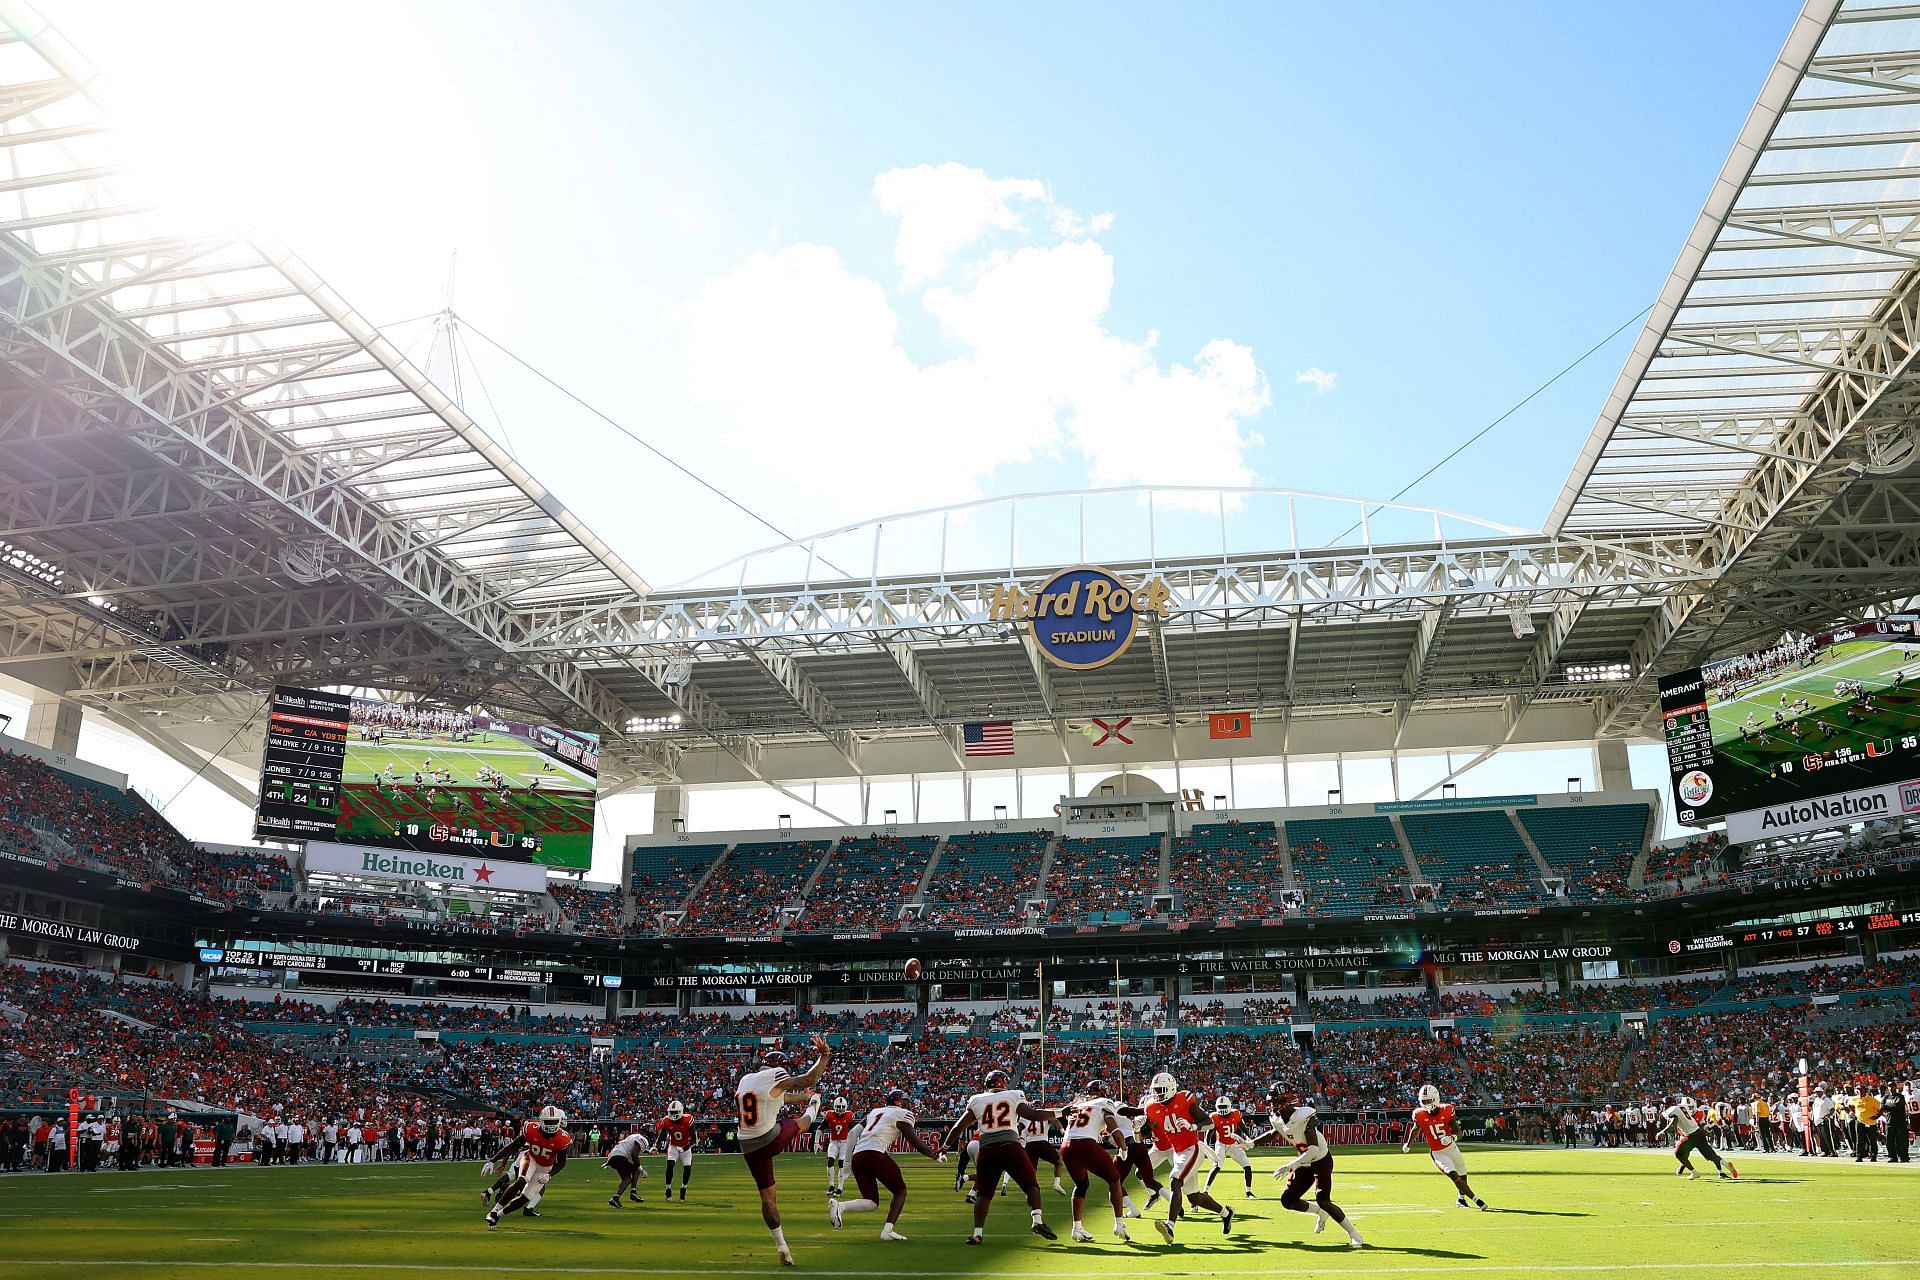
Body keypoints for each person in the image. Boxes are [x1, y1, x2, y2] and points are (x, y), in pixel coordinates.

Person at [737, 1035, 834, 1267]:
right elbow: (809, 1078)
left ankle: (782, 1246)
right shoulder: (775, 1074)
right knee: (801, 1123)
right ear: (778, 1066)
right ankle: (815, 1107)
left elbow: (778, 1097)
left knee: (768, 1200)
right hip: (768, 1139)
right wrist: (825, 1055)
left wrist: (801, 1096)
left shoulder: (746, 1081)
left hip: (747, 1145)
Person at [941, 1067, 1060, 1245]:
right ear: (1004, 1083)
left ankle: (977, 1234)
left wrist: (944, 1147)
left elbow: (958, 1127)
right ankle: (1037, 1221)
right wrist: (1060, 1112)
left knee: (983, 1194)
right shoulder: (1013, 1095)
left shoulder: (976, 1100)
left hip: (987, 1150)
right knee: (1031, 1185)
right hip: (1010, 1147)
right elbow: (1033, 1114)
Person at [828, 1087, 945, 1241]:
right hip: (874, 1153)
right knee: (900, 1191)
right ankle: (887, 1230)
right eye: (904, 1100)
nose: (907, 1104)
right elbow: (914, 1140)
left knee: (872, 1202)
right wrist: (933, 1154)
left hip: (858, 1157)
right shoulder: (902, 1114)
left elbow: (852, 1134)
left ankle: (840, 1206)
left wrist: (848, 1163)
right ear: (898, 1101)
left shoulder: (875, 1112)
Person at [1268, 1082, 1364, 1248]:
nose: (1272, 1103)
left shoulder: (1304, 1115)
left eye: (1276, 1100)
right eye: (1273, 1100)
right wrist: (1250, 1144)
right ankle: (1320, 1212)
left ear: (1287, 1100)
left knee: (1323, 1200)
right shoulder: (1277, 1118)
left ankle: (1355, 1234)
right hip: (1304, 1162)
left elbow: (1313, 1151)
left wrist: (1290, 1166)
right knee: (1288, 1200)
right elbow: (1274, 1133)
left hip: (1320, 1159)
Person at [1143, 1071, 1234, 1244]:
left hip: (1193, 1148)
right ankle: (1226, 1213)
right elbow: (1151, 1128)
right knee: (1194, 1197)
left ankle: (1170, 1226)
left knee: (1175, 1180)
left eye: (1161, 1089)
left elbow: (1209, 1122)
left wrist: (1192, 1126)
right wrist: (1141, 1126)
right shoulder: (1151, 1107)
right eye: (1155, 1090)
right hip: (1178, 1152)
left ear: (1171, 1088)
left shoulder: (1184, 1099)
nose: (1158, 1094)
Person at [1058, 1080, 1132, 1243]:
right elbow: (1115, 1130)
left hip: (1066, 1146)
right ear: (1102, 1092)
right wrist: (1123, 1148)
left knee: (1081, 1185)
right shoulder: (1104, 1102)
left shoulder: (1078, 1103)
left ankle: (1077, 1229)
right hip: (1084, 1144)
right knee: (1114, 1179)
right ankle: (1119, 1224)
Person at [482, 1105, 572, 1228]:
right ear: (541, 1121)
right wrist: (492, 1161)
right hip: (531, 1158)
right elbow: (514, 1145)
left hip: (545, 1168)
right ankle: (493, 1211)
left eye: (554, 1122)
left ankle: (498, 1215)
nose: (551, 1125)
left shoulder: (562, 1138)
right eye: (548, 1121)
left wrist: (549, 1175)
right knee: (521, 1180)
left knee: (526, 1197)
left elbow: (562, 1162)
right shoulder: (531, 1128)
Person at [1403, 1084, 1487, 1210]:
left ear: (1436, 1098)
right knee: (1453, 1174)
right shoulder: (1419, 1114)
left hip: (1451, 1147)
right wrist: (1408, 1144)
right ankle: (1477, 1200)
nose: (1426, 1104)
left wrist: (1451, 1137)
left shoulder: (1447, 1109)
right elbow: (1415, 1130)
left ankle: (1461, 1199)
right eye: (1424, 1101)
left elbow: (1459, 1132)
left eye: (1428, 1100)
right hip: (1437, 1152)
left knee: (1463, 1173)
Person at [1656, 1094, 1737, 1182]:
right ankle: (1726, 1164)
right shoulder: (1680, 1108)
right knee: (1710, 1155)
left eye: (1664, 1104)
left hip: (1690, 1135)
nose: (1662, 1106)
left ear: (1667, 1104)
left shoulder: (1672, 1110)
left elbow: (1673, 1123)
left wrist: (1662, 1132)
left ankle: (1694, 1172)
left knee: (1678, 1154)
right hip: (1698, 1132)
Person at [1202, 1095, 1256, 1200]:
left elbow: (1242, 1126)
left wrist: (1249, 1137)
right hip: (1221, 1144)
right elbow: (1209, 1133)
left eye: (1224, 1106)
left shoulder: (1235, 1113)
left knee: (1247, 1166)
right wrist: (1207, 1146)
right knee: (1216, 1167)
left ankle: (1248, 1191)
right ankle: (1205, 1190)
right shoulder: (1215, 1117)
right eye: (1220, 1107)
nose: (1222, 1109)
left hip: (1233, 1144)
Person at [1018, 1111, 1068, 1197]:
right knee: (1059, 1162)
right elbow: (1055, 1121)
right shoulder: (1044, 1114)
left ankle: (1031, 1190)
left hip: (1029, 1145)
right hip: (1042, 1142)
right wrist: (1063, 1132)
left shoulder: (1025, 1116)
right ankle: (1057, 1184)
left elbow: (1018, 1128)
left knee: (1032, 1169)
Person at [656, 1101, 696, 1201]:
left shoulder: (688, 1120)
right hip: (673, 1145)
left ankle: (684, 1188)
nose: (673, 1114)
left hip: (685, 1146)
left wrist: (687, 1146)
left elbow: (694, 1139)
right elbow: (662, 1134)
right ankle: (668, 1188)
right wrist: (656, 1145)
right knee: (670, 1165)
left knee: (687, 1168)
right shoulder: (666, 1120)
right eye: (671, 1112)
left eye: (675, 1112)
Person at [603, 1128, 652, 1207]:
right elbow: (634, 1155)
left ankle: (633, 1192)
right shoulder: (642, 1139)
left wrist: (608, 1162)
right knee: (628, 1178)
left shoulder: (632, 1136)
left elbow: (627, 1151)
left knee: (634, 1170)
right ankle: (615, 1199)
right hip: (619, 1156)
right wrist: (642, 1170)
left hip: (614, 1156)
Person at [822, 1096, 857, 1198]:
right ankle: (831, 1186)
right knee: (830, 1162)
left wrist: (857, 1142)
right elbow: (820, 1128)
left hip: (844, 1143)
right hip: (833, 1142)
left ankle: (840, 1188)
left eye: (842, 1106)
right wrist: (816, 1142)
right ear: (834, 1106)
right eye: (838, 1106)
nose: (840, 1108)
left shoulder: (849, 1116)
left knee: (841, 1163)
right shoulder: (830, 1115)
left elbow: (855, 1130)